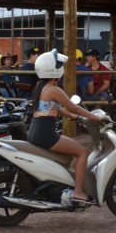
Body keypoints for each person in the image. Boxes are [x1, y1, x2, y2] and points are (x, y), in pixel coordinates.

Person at [27, 50, 105, 206]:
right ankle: (78, 192)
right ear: (54, 69)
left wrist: (73, 117)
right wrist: (96, 118)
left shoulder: (41, 87)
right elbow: (74, 107)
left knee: (70, 154)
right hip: (46, 135)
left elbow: (55, 108)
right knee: (82, 153)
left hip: (35, 132)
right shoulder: (54, 89)